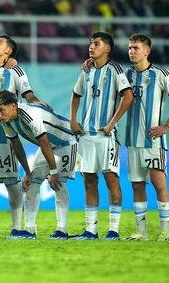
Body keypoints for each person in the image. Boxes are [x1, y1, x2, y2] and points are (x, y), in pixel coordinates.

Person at [0, 35, 45, 239]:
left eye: (1, 42)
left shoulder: (15, 70)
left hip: (6, 136)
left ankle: (17, 226)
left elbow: (28, 94)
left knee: (11, 182)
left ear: (9, 52)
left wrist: (38, 104)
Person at [69, 31, 133, 240]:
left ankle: (113, 230)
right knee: (89, 181)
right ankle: (91, 230)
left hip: (107, 136)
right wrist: (73, 119)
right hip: (86, 134)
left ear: (107, 48)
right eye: (90, 44)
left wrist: (113, 122)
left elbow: (128, 96)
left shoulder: (115, 69)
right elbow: (76, 93)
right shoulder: (86, 70)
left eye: (96, 44)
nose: (91, 47)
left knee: (111, 180)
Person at [124, 33, 169, 242]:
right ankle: (142, 233)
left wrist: (167, 125)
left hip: (153, 140)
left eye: (136, 48)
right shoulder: (126, 74)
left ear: (147, 51)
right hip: (133, 140)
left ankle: (164, 232)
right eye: (130, 48)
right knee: (137, 185)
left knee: (159, 183)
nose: (132, 51)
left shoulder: (161, 73)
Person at [0, 90, 77, 239]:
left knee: (59, 183)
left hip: (66, 142)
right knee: (32, 183)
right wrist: (28, 173)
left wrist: (53, 172)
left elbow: (43, 142)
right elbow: (17, 146)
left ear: (13, 106)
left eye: (1, 110)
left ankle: (62, 231)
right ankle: (29, 230)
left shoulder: (30, 114)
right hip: (49, 146)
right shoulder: (6, 121)